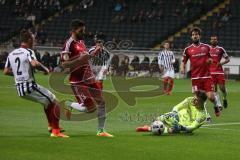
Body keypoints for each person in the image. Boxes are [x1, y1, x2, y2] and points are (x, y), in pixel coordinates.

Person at [3, 29, 68, 138]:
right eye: (34, 39)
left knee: (46, 102)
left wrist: (20, 75)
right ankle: (56, 132)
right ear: (29, 40)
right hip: (29, 86)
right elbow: (34, 63)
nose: (35, 41)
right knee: (55, 101)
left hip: (20, 89)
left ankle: (50, 126)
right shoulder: (28, 51)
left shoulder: (12, 53)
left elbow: (6, 71)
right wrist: (45, 69)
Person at [60, 19, 113, 137]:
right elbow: (64, 64)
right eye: (81, 31)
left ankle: (101, 131)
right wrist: (79, 60)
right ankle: (69, 104)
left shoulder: (81, 42)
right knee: (90, 109)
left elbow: (86, 58)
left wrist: (95, 52)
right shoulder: (69, 44)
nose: (83, 33)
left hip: (89, 78)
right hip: (78, 81)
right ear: (74, 30)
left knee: (102, 102)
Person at [180, 27, 222, 117]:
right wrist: (182, 68)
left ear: (199, 36)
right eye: (193, 35)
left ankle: (216, 106)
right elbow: (183, 61)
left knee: (211, 97)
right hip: (195, 78)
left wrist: (210, 60)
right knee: (198, 100)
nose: (195, 36)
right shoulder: (188, 49)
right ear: (191, 37)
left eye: (196, 34)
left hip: (206, 77)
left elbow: (211, 58)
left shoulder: (206, 47)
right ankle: (205, 115)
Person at [136, 91, 207, 134]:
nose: (194, 101)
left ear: (202, 102)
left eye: (197, 100)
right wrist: (174, 112)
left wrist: (182, 127)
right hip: (178, 117)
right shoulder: (190, 100)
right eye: (194, 98)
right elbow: (177, 107)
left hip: (184, 127)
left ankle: (149, 128)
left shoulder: (202, 115)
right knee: (161, 118)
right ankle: (154, 125)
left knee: (172, 131)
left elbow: (193, 126)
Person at [209, 35, 230, 108]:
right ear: (210, 41)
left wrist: (221, 63)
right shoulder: (207, 49)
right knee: (214, 89)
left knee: (222, 89)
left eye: (215, 39)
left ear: (217, 41)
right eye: (212, 39)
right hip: (211, 72)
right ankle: (219, 104)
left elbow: (228, 59)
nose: (213, 40)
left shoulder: (221, 49)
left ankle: (224, 98)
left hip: (219, 72)